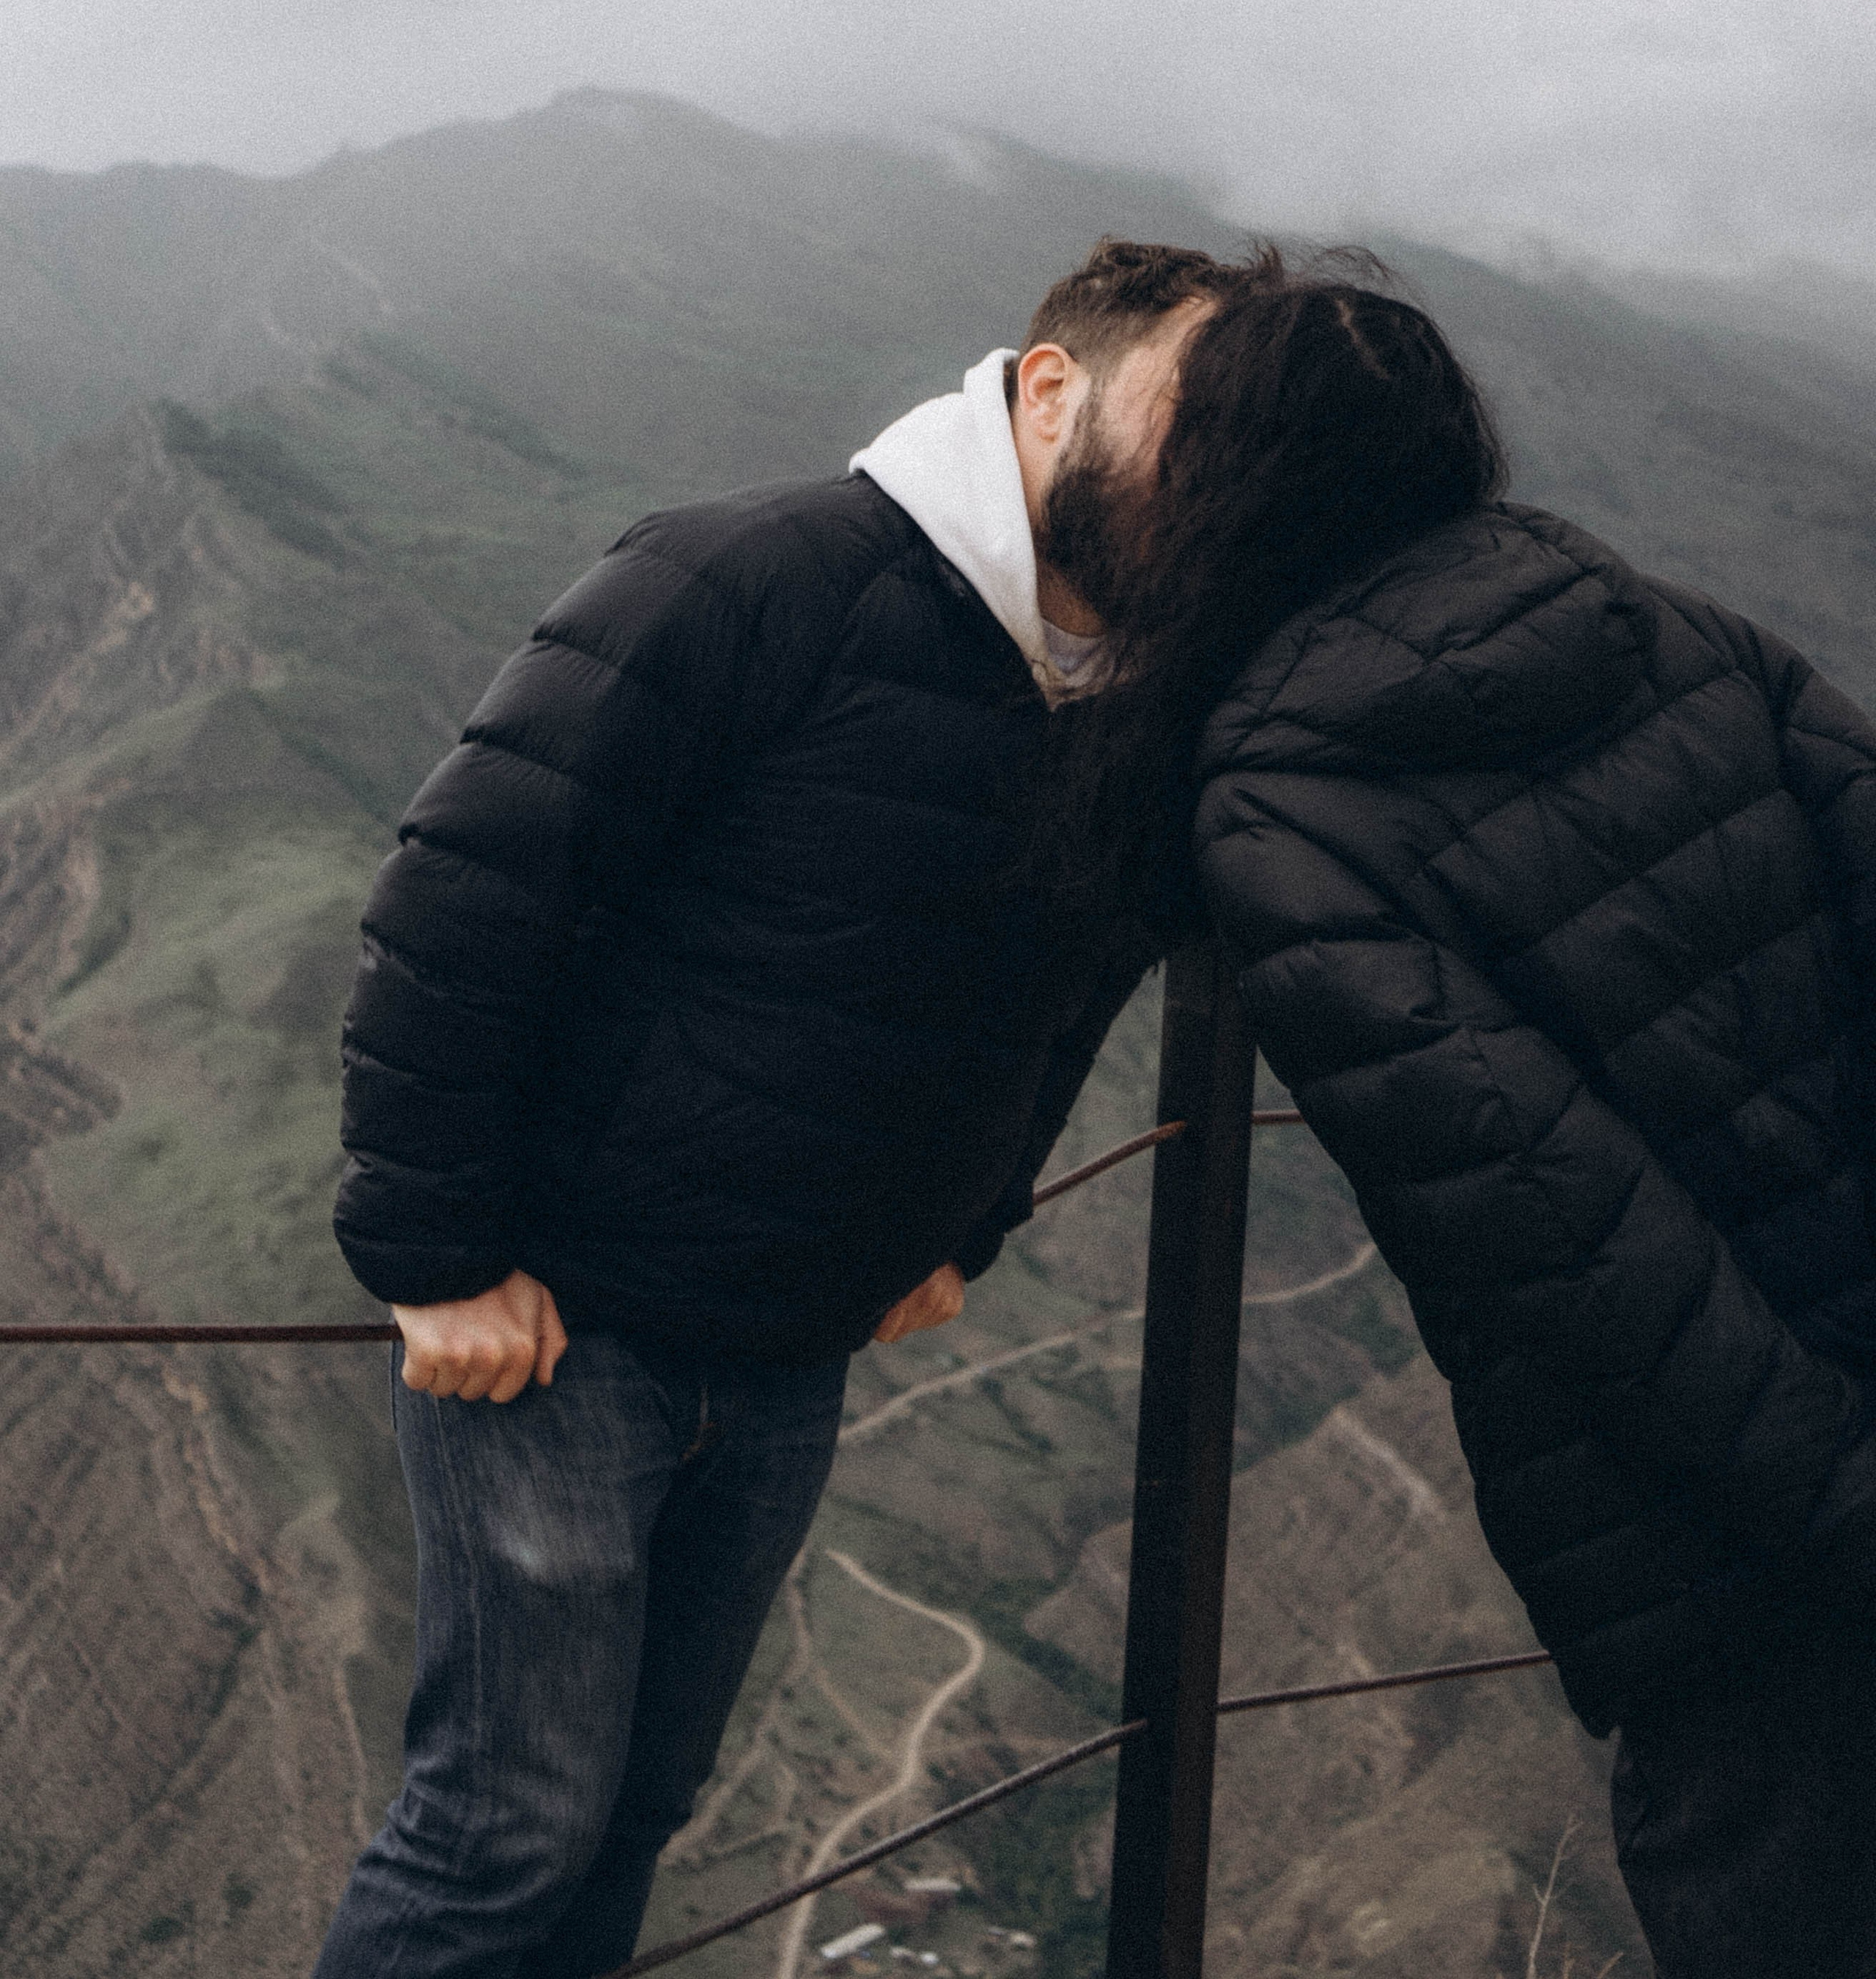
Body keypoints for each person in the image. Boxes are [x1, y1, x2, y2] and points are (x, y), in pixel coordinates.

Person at [311, 238, 1240, 1979]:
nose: (1211, 482)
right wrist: (432, 1256)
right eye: (1186, 421)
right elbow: (465, 890)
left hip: (790, 1352)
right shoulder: (752, 573)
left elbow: (1074, 983)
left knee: (635, 1816)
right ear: (1049, 391)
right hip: (561, 1334)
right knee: (498, 1832)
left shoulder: (1118, 693)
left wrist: (965, 1224)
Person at [1090, 250, 1876, 1979]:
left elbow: (1560, 1231)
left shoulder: (1279, 803)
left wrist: (1838, 1510)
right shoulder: (1670, 623)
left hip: (1728, 1552)